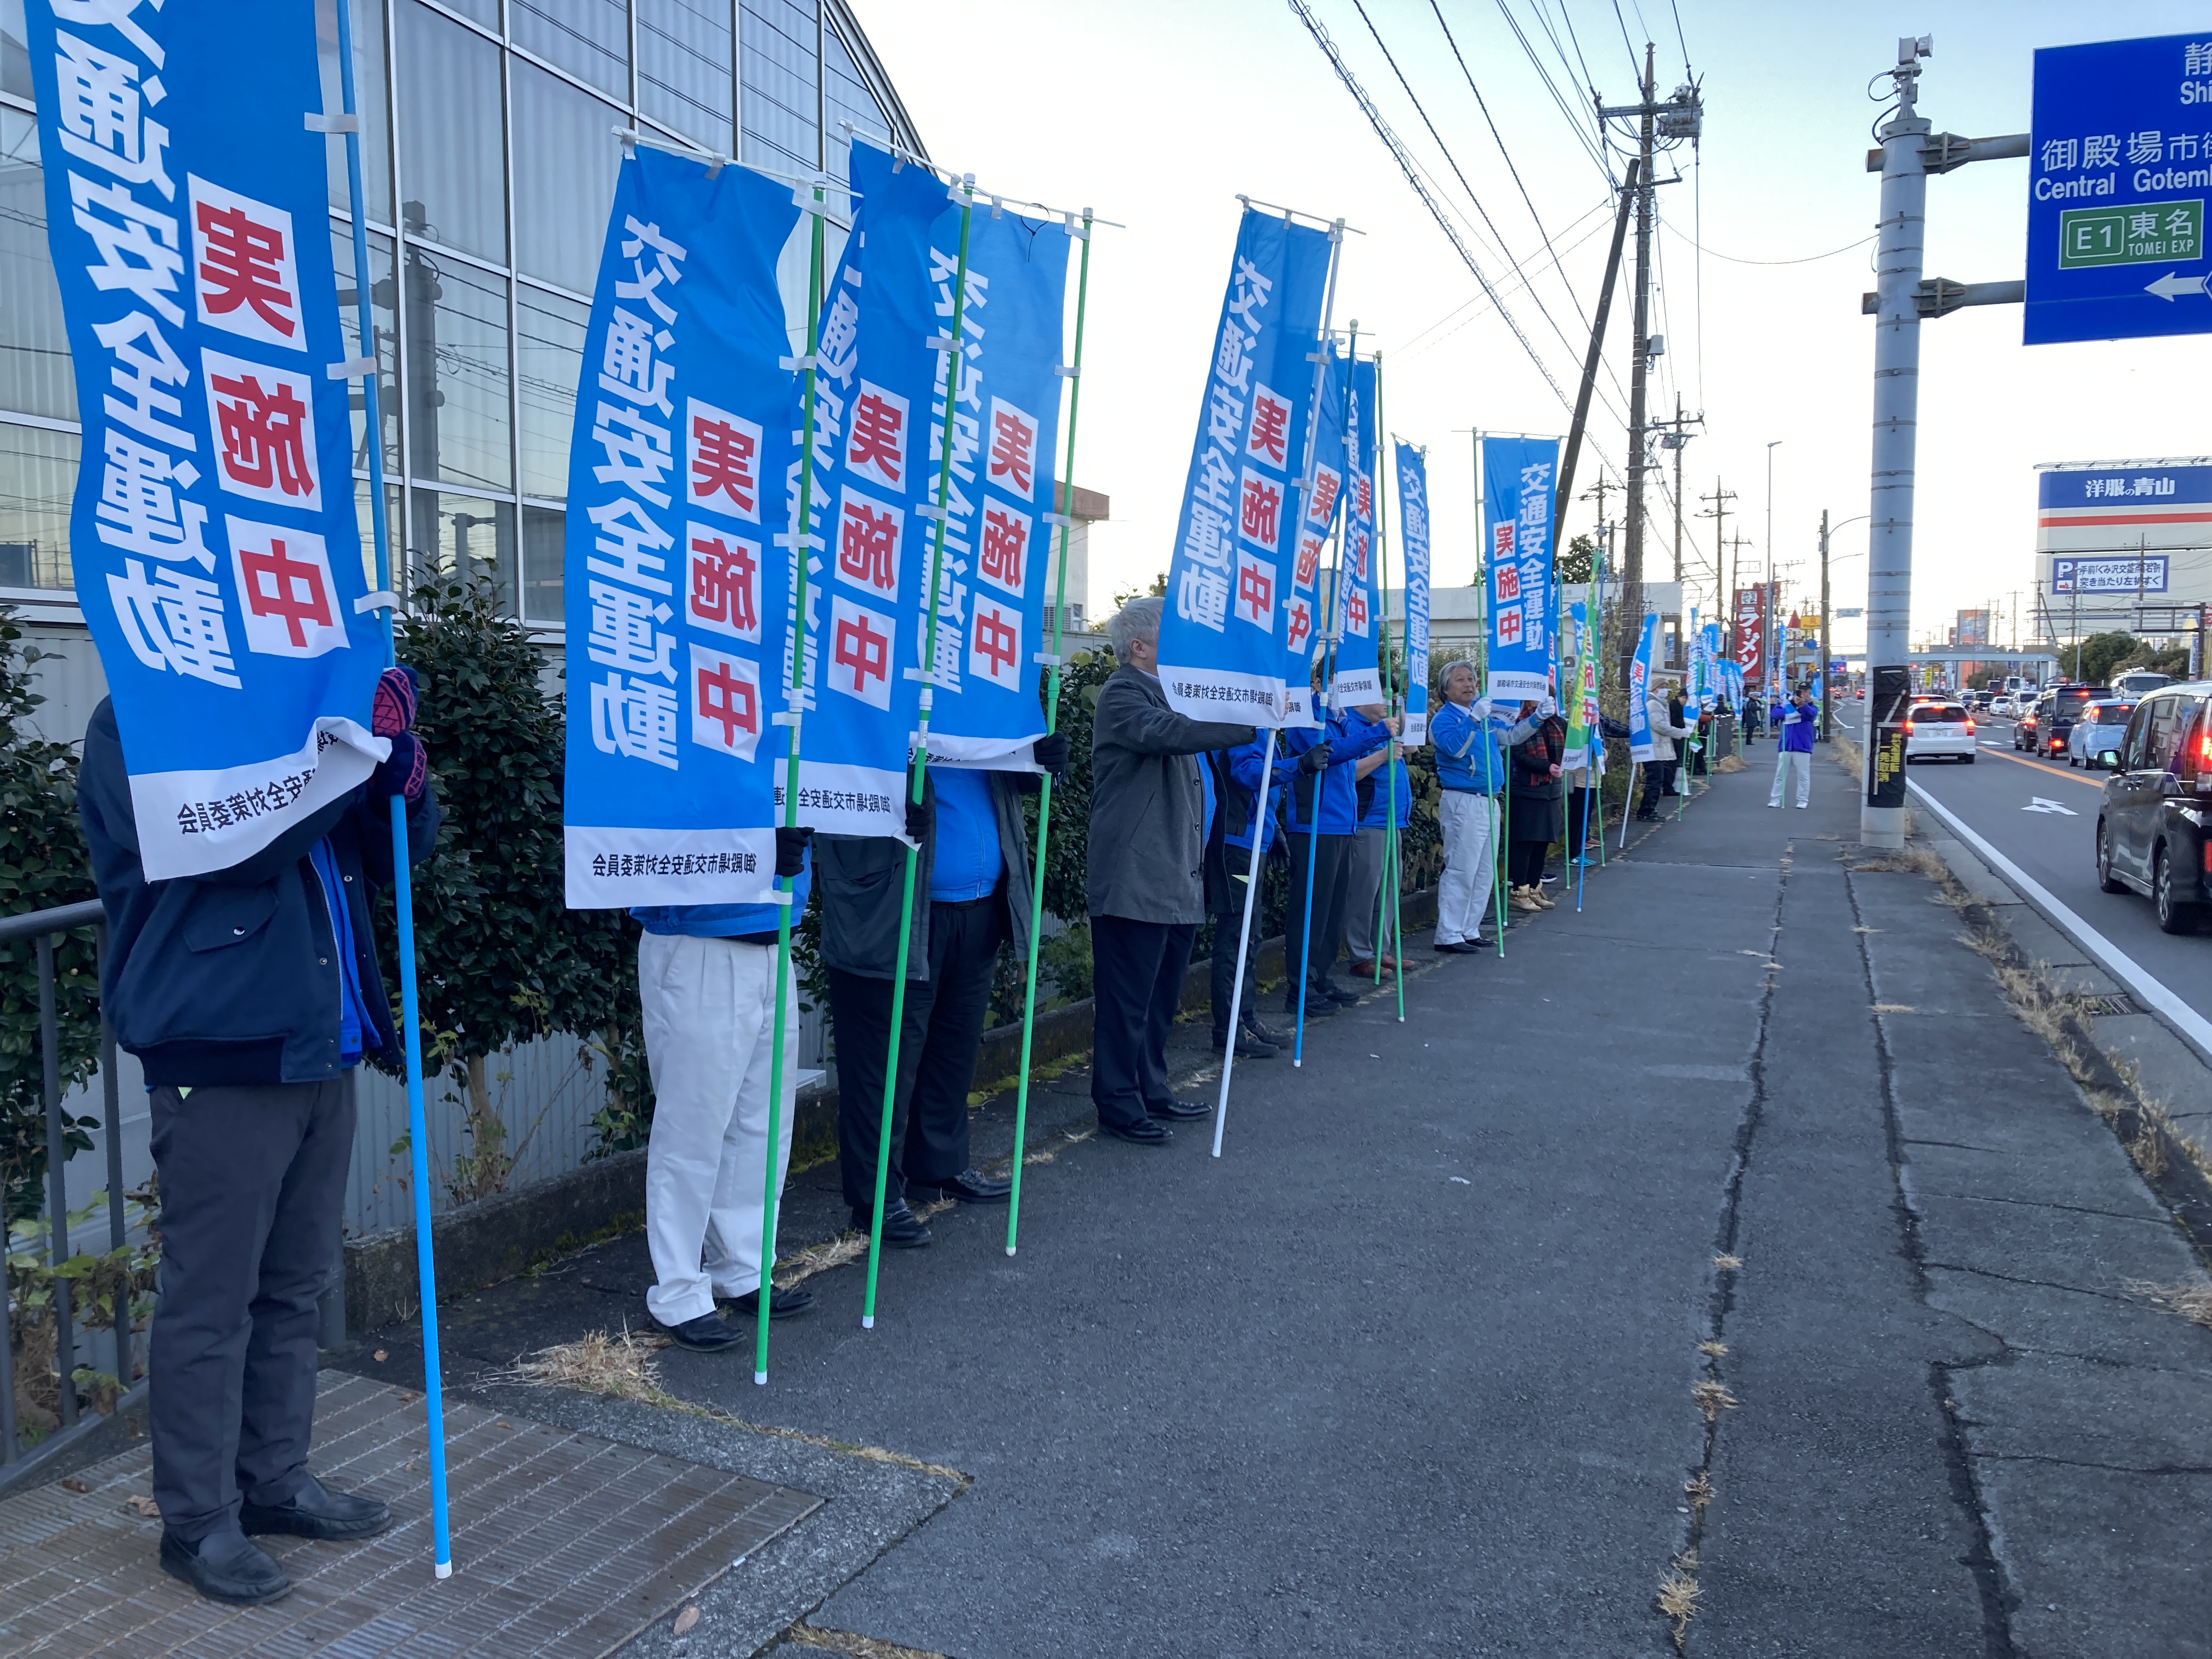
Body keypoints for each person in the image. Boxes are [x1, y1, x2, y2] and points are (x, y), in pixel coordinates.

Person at [77, 672, 438, 1606]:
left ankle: (274, 1479)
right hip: (223, 1045)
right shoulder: (137, 723)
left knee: (295, 1284)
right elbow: (226, 849)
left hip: (321, 1038)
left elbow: (397, 854)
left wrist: (401, 781)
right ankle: (197, 1520)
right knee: (211, 1296)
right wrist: (341, 766)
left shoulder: (301, 724)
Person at [817, 735, 1065, 1246]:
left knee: (952, 1048)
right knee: (883, 1061)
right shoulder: (878, 688)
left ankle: (938, 1165)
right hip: (894, 911)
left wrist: (1038, 760)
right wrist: (888, 804)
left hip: (977, 905)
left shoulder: (981, 701)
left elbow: (1014, 779)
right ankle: (875, 1198)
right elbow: (835, 777)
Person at [632, 821, 817, 1352]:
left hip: (772, 933)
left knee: (761, 1121)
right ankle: (678, 1291)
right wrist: (755, 847)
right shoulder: (681, 737)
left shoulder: (787, 737)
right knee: (692, 1129)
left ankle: (742, 1268)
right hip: (698, 938)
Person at [1086, 597, 1257, 1144]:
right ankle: (1117, 1101)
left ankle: (1150, 1087)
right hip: (1136, 876)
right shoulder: (1124, 695)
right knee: (1127, 999)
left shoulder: (1169, 694)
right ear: (1139, 647)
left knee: (1160, 996)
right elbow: (1172, 734)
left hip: (1177, 874)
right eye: (1171, 641)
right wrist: (1251, 718)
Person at [1278, 698, 1395, 1018]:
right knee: (1312, 911)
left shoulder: (1341, 718)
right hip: (1315, 822)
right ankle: (1300, 988)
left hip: (1343, 822)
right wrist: (1377, 735)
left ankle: (1321, 978)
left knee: (1332, 911)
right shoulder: (1307, 713)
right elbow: (1328, 753)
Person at [1427, 661, 1538, 952]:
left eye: (1472, 679)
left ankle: (1469, 928)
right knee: (1462, 869)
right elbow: (1454, 748)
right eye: (1461, 680)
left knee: (1484, 871)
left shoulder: (1483, 715)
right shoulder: (1444, 720)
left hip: (1489, 800)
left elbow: (1512, 735)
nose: (1469, 684)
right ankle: (1449, 934)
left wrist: (1538, 718)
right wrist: (1473, 721)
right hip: (1463, 800)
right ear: (1446, 690)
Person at [1204, 735, 1289, 1058]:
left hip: (1255, 842)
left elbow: (1260, 796)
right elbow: (1248, 774)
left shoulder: (1259, 720)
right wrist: (1298, 766)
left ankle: (1247, 1019)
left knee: (1251, 937)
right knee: (1237, 937)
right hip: (1238, 846)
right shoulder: (1244, 719)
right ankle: (1228, 1030)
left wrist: (1274, 827)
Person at [1344, 715, 1410, 978]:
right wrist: (1383, 755)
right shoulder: (1353, 727)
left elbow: (1414, 745)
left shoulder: (1390, 726)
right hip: (1369, 819)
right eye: (1384, 697)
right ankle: (1360, 955)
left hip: (1393, 819)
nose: (1388, 705)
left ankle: (1381, 950)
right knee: (1364, 890)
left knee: (1389, 889)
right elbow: (1352, 771)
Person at [1507, 702, 1565, 912]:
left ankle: (1534, 888)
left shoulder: (1558, 723)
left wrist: (1591, 726)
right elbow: (1520, 756)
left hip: (1551, 791)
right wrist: (1546, 767)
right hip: (1527, 789)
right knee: (1526, 843)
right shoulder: (1520, 722)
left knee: (1543, 843)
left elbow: (1577, 742)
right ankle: (1519, 891)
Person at [1637, 679, 1692, 820]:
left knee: (1656, 781)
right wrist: (1681, 732)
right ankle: (1646, 812)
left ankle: (1649, 810)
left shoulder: (1660, 703)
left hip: (1658, 748)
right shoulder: (1653, 704)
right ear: (1654, 688)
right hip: (1654, 748)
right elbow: (1659, 725)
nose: (1665, 689)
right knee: (1654, 781)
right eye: (1662, 686)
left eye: (1666, 687)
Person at [1769, 685, 1818, 809]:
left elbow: (1811, 715)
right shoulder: (1788, 706)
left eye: (1807, 693)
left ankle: (1803, 800)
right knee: (1780, 775)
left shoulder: (1812, 707)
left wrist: (1803, 705)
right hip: (1786, 746)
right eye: (1802, 692)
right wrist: (1789, 706)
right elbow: (1774, 714)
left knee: (1803, 775)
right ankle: (1775, 799)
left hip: (1803, 746)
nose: (1805, 695)